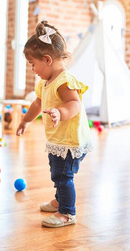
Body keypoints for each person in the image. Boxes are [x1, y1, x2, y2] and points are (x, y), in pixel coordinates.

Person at [16, 20, 92, 228]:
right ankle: (60, 200)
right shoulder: (44, 83)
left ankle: (67, 212)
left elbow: (74, 104)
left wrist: (60, 112)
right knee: (56, 172)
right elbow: (38, 103)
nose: (33, 70)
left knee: (63, 176)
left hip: (70, 140)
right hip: (58, 139)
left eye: (33, 64)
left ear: (47, 59)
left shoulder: (64, 81)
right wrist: (25, 120)